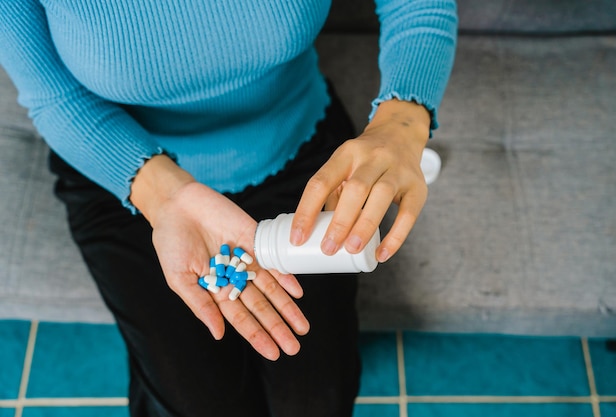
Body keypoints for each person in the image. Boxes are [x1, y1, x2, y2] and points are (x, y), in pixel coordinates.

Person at [0, 1, 457, 416]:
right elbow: (53, 96)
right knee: (197, 404)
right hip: (127, 173)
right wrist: (165, 195)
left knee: (315, 402)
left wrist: (402, 121)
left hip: (297, 149)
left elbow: (418, 7)